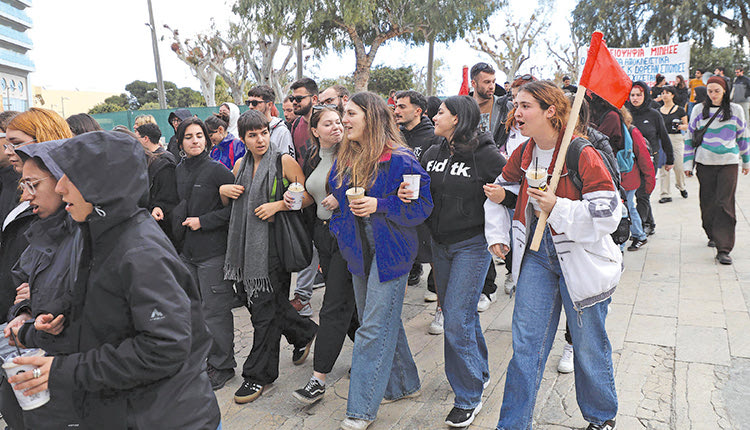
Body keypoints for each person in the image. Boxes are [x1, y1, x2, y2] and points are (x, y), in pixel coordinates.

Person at [7, 131, 221, 428]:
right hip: (126, 411)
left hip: (166, 418)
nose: (61, 187)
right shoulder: (100, 235)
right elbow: (103, 324)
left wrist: (62, 369)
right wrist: (35, 331)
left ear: (101, 184)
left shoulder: (140, 252)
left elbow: (165, 347)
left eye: (70, 177)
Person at [484, 80, 620, 430]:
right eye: (515, 105)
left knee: (588, 346)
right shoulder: (524, 152)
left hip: (582, 260)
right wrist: (498, 233)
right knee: (526, 346)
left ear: (551, 111)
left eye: (525, 106)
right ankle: (512, 424)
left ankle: (601, 418)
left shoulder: (581, 152)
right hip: (536, 257)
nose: (516, 113)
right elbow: (503, 191)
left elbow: (608, 213)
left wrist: (558, 207)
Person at [329, 92, 432, 430]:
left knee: (371, 327)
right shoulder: (346, 156)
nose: (344, 120)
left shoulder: (402, 160)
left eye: (351, 113)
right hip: (358, 248)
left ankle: (360, 410)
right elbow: (337, 191)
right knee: (382, 318)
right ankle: (405, 385)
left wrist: (381, 204)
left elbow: (420, 208)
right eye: (344, 113)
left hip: (392, 249)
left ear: (371, 117)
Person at [220, 110, 318, 403]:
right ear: (243, 138)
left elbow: (307, 197)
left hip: (274, 246)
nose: (260, 139)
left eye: (264, 132)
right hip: (246, 249)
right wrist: (224, 190)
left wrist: (279, 205)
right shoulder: (239, 164)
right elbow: (230, 202)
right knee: (269, 306)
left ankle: (258, 375)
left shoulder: (283, 161)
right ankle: (303, 332)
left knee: (263, 312)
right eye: (253, 135)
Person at [423, 96, 505, 427]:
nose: (435, 116)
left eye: (440, 112)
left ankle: (469, 396)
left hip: (472, 244)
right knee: (462, 315)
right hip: (440, 245)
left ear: (457, 119)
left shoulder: (485, 154)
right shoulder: (432, 151)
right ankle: (479, 372)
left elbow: (512, 188)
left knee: (455, 318)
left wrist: (504, 198)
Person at [4, 140, 83, 428]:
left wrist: (55, 316)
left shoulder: (88, 236)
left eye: (33, 185)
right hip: (43, 372)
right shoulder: (42, 231)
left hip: (72, 381)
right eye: (23, 186)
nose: (25, 196)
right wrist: (25, 311)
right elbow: (23, 283)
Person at [292, 106, 359, 405]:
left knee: (333, 304)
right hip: (323, 235)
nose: (336, 127)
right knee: (350, 304)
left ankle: (318, 378)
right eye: (327, 123)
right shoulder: (313, 156)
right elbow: (312, 192)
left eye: (338, 121)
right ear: (315, 131)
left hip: (347, 234)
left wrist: (342, 196)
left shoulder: (354, 154)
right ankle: (380, 354)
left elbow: (368, 182)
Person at [172, 117, 237, 390]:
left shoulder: (218, 171)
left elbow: (234, 211)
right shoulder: (178, 170)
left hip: (213, 253)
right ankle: (206, 360)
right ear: (180, 141)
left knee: (216, 313)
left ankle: (224, 366)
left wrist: (204, 221)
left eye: (200, 135)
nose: (195, 140)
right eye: (189, 136)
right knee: (195, 313)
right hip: (187, 254)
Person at [684, 76, 750, 265]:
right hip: (705, 163)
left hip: (728, 163)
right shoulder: (698, 109)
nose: (713, 95)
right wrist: (688, 164)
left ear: (725, 91)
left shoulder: (736, 110)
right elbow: (690, 137)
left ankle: (724, 247)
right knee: (708, 202)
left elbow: (743, 136)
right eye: (710, 91)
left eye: (717, 91)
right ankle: (712, 232)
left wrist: (746, 161)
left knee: (724, 203)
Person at [288, 77, 323, 316]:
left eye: (299, 98)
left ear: (314, 98)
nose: (294, 102)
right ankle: (303, 296)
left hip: (331, 197)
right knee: (309, 246)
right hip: (307, 197)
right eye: (292, 98)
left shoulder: (328, 122)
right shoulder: (296, 126)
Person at [625, 81, 674, 236]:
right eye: (632, 95)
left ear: (645, 95)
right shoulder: (625, 114)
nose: (635, 98)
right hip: (631, 161)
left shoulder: (654, 114)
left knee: (643, 194)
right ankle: (650, 222)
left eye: (639, 95)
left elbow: (664, 138)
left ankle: (641, 227)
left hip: (650, 159)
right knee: (639, 194)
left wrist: (670, 159)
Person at [135, 122, 179, 242]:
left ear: (145, 139)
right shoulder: (149, 158)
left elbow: (168, 194)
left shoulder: (164, 161)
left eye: (136, 137)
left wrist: (158, 207)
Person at [620, 107, 656, 251]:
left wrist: (649, 180)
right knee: (628, 207)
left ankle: (638, 235)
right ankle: (637, 234)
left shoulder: (630, 131)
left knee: (627, 208)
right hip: (625, 177)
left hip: (629, 177)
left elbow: (644, 157)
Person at [657, 86, 689, 203]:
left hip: (676, 138)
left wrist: (681, 126)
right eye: (663, 93)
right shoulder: (658, 111)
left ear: (672, 95)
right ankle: (665, 194)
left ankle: (681, 186)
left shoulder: (680, 110)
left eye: (667, 93)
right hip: (663, 139)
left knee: (679, 166)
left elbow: (687, 125)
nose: (664, 95)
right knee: (663, 168)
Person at [247, 85, 295, 157]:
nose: (250, 106)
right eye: (248, 103)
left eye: (255, 103)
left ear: (269, 105)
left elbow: (288, 162)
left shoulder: (281, 131)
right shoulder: (247, 128)